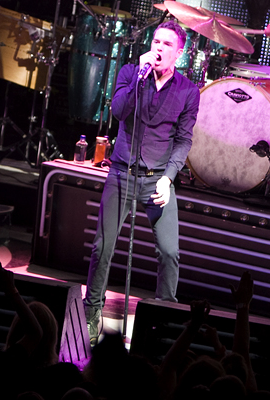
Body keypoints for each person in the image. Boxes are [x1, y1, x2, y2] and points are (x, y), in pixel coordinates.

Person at [84, 20, 200, 346]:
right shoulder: (129, 74)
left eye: (167, 44)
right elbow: (119, 111)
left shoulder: (188, 91)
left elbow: (183, 140)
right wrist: (139, 77)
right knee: (102, 248)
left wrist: (168, 179)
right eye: (156, 42)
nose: (159, 48)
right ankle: (91, 314)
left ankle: (163, 323)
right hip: (121, 173)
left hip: (157, 180)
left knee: (169, 252)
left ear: (180, 52)